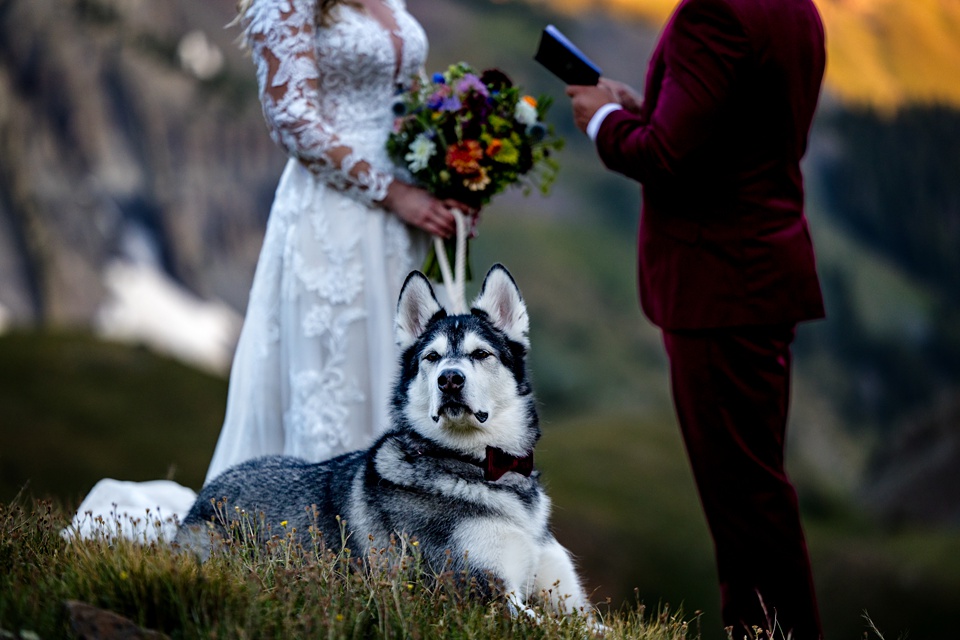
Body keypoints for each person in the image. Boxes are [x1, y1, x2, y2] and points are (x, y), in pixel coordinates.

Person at [69, 0, 472, 540]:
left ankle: (406, 531)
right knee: (341, 378)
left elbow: (409, 99)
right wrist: (391, 192)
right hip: (337, 215)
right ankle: (323, 536)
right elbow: (292, 119)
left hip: (402, 223)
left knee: (399, 368)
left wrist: (453, 177)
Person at [566, 0, 826, 637]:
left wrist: (601, 120)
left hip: (721, 287)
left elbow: (666, 158)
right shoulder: (798, 9)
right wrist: (646, 109)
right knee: (750, 494)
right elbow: (734, 133)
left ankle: (771, 632)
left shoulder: (715, 13)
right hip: (758, 272)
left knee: (744, 503)